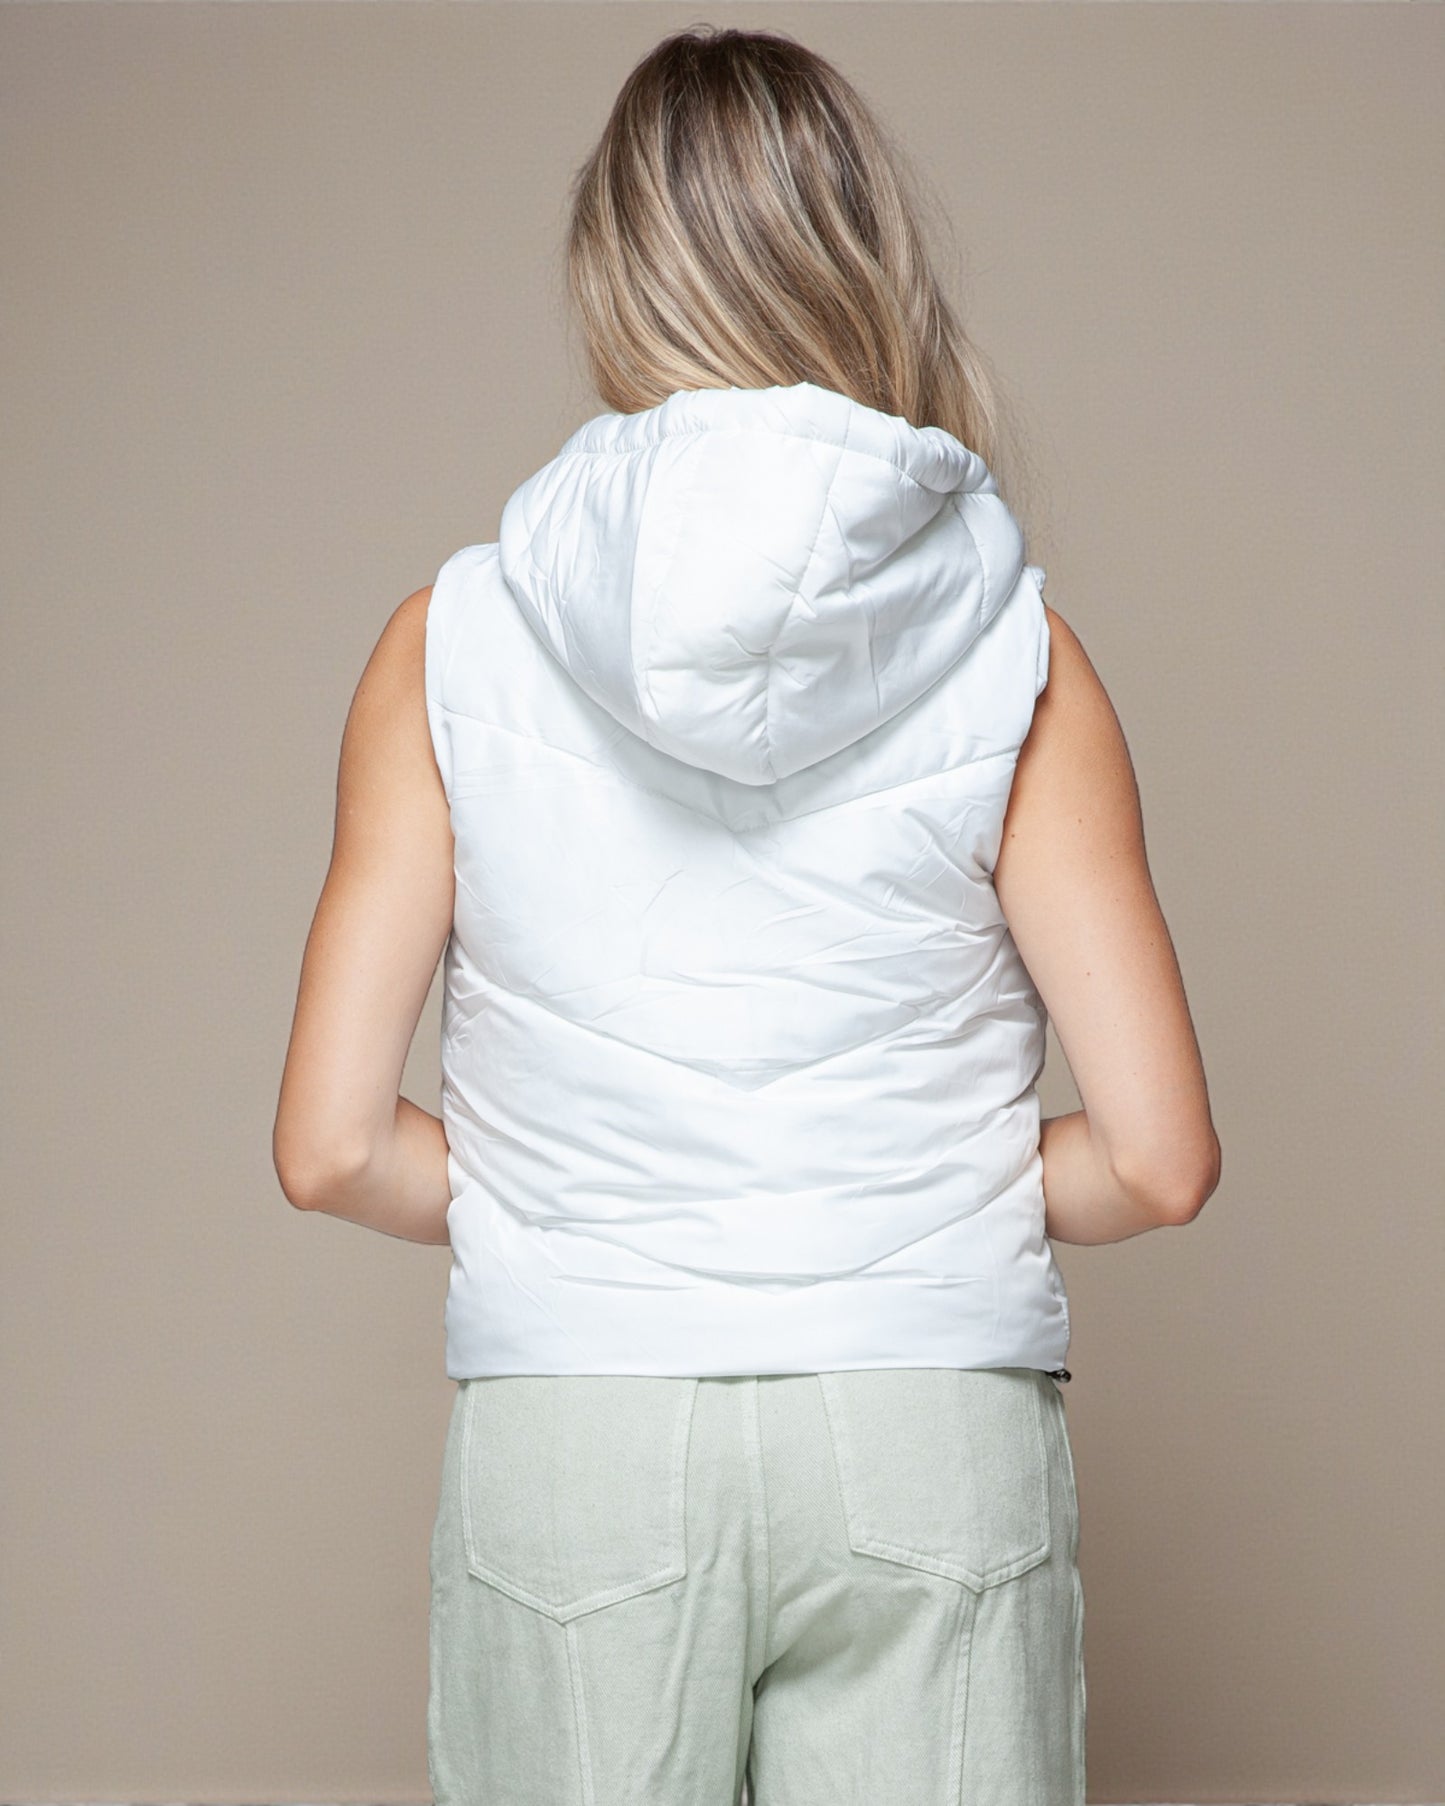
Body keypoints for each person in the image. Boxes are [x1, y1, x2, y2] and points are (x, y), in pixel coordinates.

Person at [273, 24, 1221, 1806]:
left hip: (582, 1435)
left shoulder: (443, 649)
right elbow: (1159, 1161)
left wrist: (598, 1185)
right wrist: (891, 1180)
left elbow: (329, 1147)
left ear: (613, 277)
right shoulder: (1021, 654)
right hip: (926, 1418)